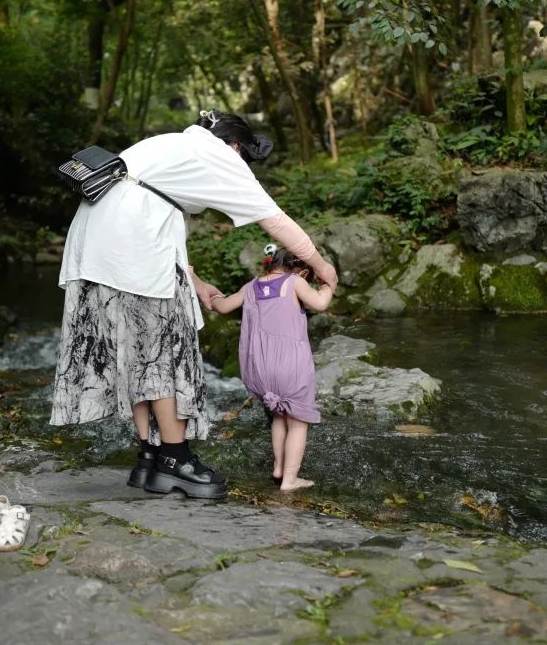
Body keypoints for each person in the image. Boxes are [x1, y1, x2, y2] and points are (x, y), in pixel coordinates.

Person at [51, 110, 338, 500]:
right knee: (163, 351)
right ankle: (175, 458)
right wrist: (324, 269)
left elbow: (161, 222)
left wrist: (195, 283)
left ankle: (150, 457)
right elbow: (277, 222)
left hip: (98, 239)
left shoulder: (170, 145)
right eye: (245, 157)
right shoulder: (219, 156)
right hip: (132, 244)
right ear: (236, 146)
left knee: (136, 349)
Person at [212, 245, 333, 491]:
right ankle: (290, 480)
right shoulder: (294, 283)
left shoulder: (251, 286)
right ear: (302, 271)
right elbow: (320, 304)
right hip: (290, 364)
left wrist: (211, 295)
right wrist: (328, 285)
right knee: (298, 421)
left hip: (260, 366)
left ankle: (278, 467)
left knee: (279, 413)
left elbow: (223, 307)